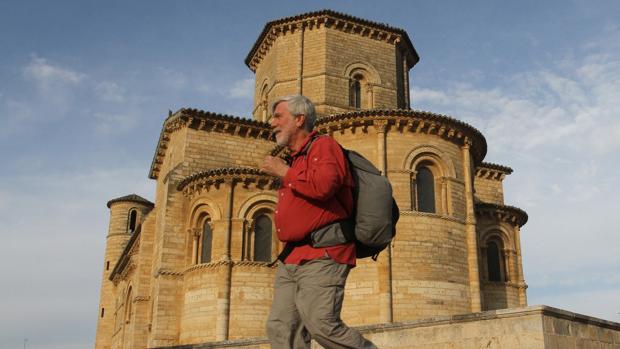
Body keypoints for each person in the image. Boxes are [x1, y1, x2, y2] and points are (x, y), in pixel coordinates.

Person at [260, 95, 377, 349]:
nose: (271, 122)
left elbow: (324, 186)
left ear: (300, 119)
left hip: (323, 253)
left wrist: (283, 171)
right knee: (282, 328)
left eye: (278, 116)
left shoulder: (324, 146)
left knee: (322, 324)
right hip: (292, 257)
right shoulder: (295, 158)